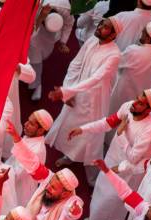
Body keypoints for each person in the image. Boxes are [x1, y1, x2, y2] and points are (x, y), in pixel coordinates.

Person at [70, 88, 151, 220]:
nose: (135, 103)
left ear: (149, 109)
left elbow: (133, 157)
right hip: (111, 159)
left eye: (140, 103)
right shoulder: (128, 106)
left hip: (128, 170)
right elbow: (107, 122)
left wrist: (121, 133)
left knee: (116, 202)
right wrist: (83, 129)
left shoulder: (150, 130)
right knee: (101, 190)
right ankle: (96, 216)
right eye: (137, 98)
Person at [46, 18, 121, 183]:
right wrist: (69, 89)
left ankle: (93, 177)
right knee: (69, 127)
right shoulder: (92, 40)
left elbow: (97, 78)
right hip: (77, 92)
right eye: (101, 24)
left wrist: (67, 91)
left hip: (95, 100)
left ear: (114, 34)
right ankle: (70, 156)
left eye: (105, 27)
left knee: (91, 137)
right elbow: (75, 64)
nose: (100, 27)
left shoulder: (114, 55)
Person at [9, 137, 83, 220]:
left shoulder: (68, 204)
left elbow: (74, 209)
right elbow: (32, 163)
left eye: (53, 188)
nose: (47, 187)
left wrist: (75, 211)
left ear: (65, 193)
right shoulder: (49, 179)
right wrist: (17, 140)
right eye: (49, 184)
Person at [108, 19, 151, 117]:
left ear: (148, 39)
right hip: (145, 100)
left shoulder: (133, 51)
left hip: (124, 96)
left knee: (115, 119)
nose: (141, 33)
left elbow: (115, 63)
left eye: (143, 32)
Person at [4, 110, 53, 206]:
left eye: (31, 124)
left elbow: (17, 174)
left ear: (40, 130)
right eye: (28, 120)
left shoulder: (37, 150)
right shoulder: (30, 136)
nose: (25, 124)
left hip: (20, 186)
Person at [28, 1, 74, 100]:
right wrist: (41, 17)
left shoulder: (66, 9)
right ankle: (36, 85)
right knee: (35, 60)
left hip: (52, 37)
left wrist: (63, 42)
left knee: (44, 54)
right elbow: (31, 23)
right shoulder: (38, 4)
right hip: (36, 31)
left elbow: (68, 24)